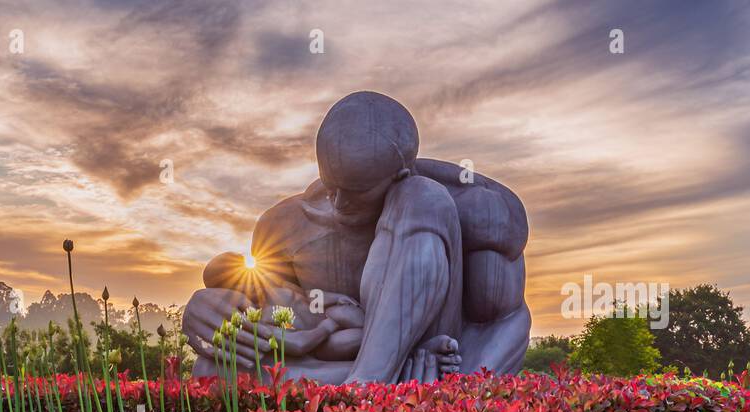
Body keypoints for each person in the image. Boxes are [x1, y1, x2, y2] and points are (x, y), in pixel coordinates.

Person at [183, 91, 530, 384]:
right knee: (210, 371)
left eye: (356, 192)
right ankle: (383, 385)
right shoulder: (282, 226)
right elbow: (276, 314)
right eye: (330, 185)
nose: (337, 203)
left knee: (424, 198)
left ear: (399, 173)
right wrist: (208, 308)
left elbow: (505, 322)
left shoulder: (480, 212)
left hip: (435, 350)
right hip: (399, 369)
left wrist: (462, 386)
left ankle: (366, 390)